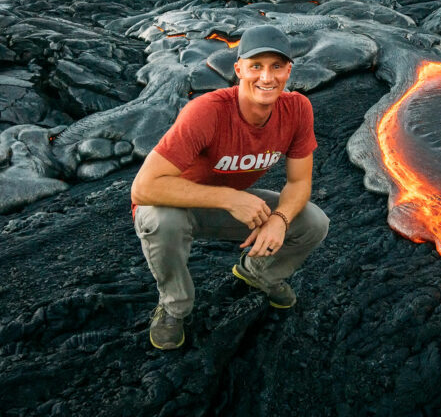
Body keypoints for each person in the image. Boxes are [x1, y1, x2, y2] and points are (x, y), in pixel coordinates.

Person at [130, 24, 329, 350]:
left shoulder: (297, 109)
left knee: (312, 222)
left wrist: (278, 221)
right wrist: (228, 197)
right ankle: (174, 306)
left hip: (225, 206)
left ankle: (258, 274)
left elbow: (299, 181)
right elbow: (143, 188)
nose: (267, 77)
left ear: (289, 71)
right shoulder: (207, 111)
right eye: (256, 66)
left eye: (276, 66)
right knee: (159, 220)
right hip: (174, 204)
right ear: (238, 69)